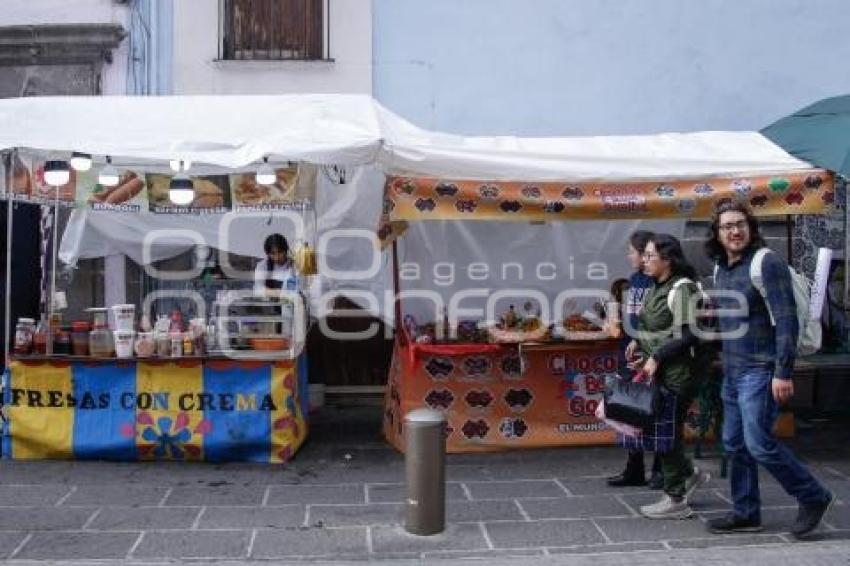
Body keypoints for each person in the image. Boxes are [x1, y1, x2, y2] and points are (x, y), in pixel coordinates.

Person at [705, 202, 833, 537]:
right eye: (727, 226)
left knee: (759, 443)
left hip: (761, 370)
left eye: (740, 224)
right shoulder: (720, 268)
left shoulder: (766, 263)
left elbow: (786, 320)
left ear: (750, 227)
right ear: (717, 233)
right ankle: (746, 513)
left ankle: (813, 495)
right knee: (734, 444)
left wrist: (783, 372)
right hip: (733, 370)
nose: (735, 231)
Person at [629, 233, 711, 519]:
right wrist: (638, 342)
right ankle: (688, 474)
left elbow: (689, 335)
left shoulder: (682, 288)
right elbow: (657, 324)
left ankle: (675, 498)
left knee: (667, 434)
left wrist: (656, 356)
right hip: (661, 373)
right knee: (662, 431)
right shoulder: (657, 286)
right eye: (644, 255)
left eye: (650, 255)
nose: (644, 260)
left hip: (678, 374)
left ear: (668, 260)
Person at [606, 231, 663, 489]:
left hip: (650, 352)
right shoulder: (634, 280)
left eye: (632, 251)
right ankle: (634, 467)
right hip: (628, 352)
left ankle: (661, 468)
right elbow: (632, 315)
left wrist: (642, 342)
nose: (629, 256)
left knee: (656, 410)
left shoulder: (657, 281)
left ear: (644, 254)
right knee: (629, 409)